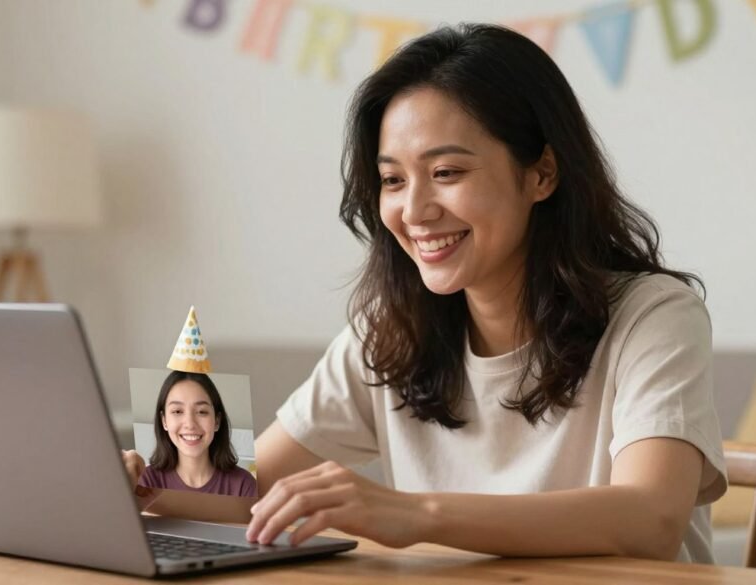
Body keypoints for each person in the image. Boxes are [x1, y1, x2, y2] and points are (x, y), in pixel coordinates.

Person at [242, 24, 726, 562]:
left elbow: (650, 517)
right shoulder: (391, 330)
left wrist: (413, 514)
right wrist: (144, 477)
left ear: (542, 174)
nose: (415, 211)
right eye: (393, 180)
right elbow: (241, 487)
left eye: (446, 171)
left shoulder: (654, 316)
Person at [133, 370, 257, 498]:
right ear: (164, 421)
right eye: (177, 411)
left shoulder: (244, 485)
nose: (190, 424)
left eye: (202, 412)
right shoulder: (146, 481)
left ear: (217, 421)